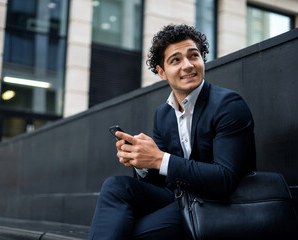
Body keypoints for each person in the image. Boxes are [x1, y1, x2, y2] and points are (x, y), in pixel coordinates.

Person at [88, 24, 256, 240]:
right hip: (179, 198)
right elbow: (162, 180)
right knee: (115, 186)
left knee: (128, 233)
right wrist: (143, 165)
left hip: (218, 204)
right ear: (161, 72)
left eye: (193, 55)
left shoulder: (228, 104)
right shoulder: (163, 114)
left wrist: (160, 159)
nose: (188, 65)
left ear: (203, 59)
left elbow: (225, 179)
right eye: (176, 60)